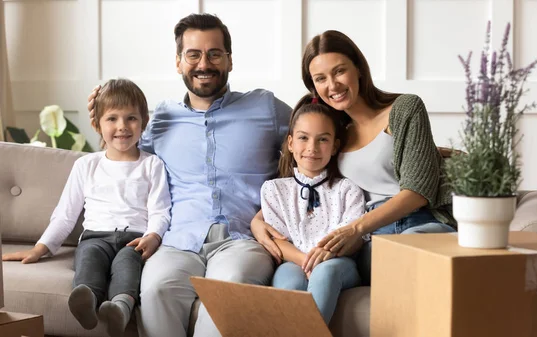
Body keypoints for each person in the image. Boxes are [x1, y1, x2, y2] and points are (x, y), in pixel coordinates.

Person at [87, 14, 291, 337]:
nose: (204, 63)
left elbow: (314, 135)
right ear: (179, 62)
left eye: (214, 53)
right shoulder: (162, 117)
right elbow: (123, 155)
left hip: (242, 240)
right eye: (193, 54)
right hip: (178, 241)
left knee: (228, 290)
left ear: (230, 60)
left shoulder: (265, 107)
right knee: (154, 290)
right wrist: (103, 121)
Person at [252, 30, 456, 285]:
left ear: (358, 68)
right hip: (371, 239)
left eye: (339, 71)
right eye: (321, 78)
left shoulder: (404, 108)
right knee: (384, 260)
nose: (333, 85)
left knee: (415, 257)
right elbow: (301, 185)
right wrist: (257, 221)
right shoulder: (331, 135)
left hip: (418, 224)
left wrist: (356, 228)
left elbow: (418, 190)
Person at [3, 79, 171, 337]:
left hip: (134, 240)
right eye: (112, 119)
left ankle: (120, 308)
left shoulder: (152, 165)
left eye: (131, 118)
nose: (122, 127)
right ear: (97, 124)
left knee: (127, 267)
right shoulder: (86, 165)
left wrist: (153, 236)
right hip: (95, 237)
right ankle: (87, 301)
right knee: (89, 261)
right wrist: (41, 248)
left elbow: (160, 210)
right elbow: (65, 214)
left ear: (144, 122)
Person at [262, 94, 363, 324]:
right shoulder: (274, 190)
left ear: (335, 146)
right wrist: (305, 260)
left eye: (323, 140)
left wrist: (321, 260)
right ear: (290, 143)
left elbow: (355, 238)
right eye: (303, 138)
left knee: (325, 273)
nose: (312, 148)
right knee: (291, 285)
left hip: (338, 263)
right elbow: (277, 240)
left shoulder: (347, 190)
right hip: (294, 261)